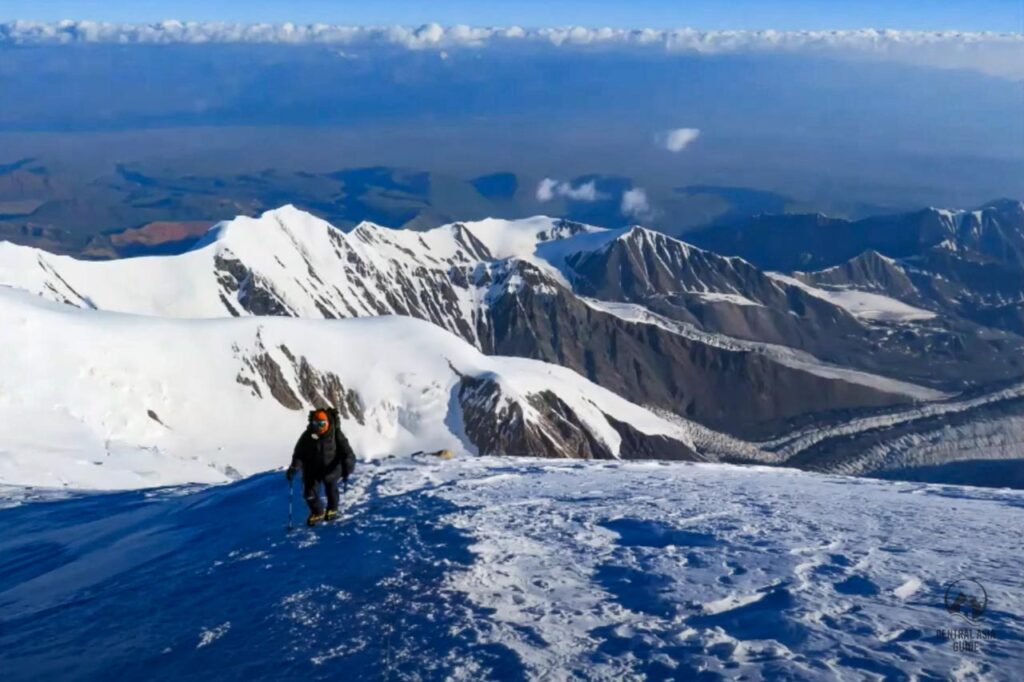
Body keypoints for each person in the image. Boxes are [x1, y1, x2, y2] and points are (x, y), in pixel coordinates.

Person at [286, 408, 357, 526]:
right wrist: (294, 467)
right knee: (309, 494)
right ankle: (317, 511)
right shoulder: (307, 436)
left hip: (332, 467)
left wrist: (348, 465)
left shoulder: (335, 433)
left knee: (330, 484)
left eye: (322, 424)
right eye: (316, 423)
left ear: (327, 423)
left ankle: (332, 509)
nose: (319, 427)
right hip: (312, 469)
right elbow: (299, 453)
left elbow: (347, 452)